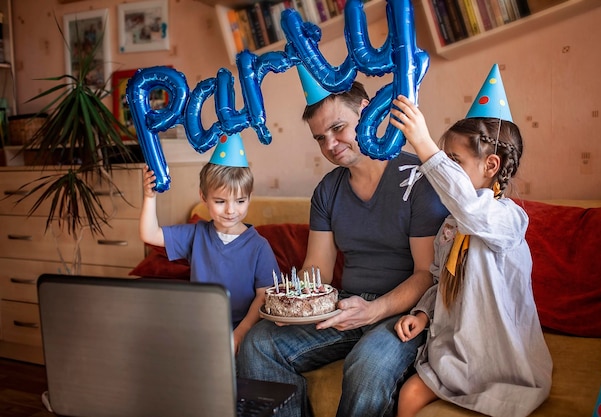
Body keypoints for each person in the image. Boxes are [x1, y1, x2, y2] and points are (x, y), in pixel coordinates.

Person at [236, 65, 449, 417]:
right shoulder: (327, 190)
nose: (330, 145)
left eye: (337, 128)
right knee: (258, 344)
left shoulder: (418, 181)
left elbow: (426, 274)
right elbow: (316, 269)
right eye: (320, 137)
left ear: (366, 112)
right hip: (346, 309)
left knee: (368, 366)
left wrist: (373, 310)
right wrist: (289, 307)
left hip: (403, 314)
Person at [390, 64, 552, 417]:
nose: (444, 168)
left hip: (500, 360)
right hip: (454, 356)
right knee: (409, 396)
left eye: (454, 161)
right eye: (445, 159)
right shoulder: (451, 225)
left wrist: (425, 145)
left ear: (491, 165)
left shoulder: (507, 219)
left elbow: (470, 208)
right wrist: (422, 312)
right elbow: (442, 279)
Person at [139, 133, 279, 353]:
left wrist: (239, 334)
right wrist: (149, 197)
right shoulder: (196, 234)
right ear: (203, 197)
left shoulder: (259, 247)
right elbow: (149, 234)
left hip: (244, 331)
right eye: (220, 201)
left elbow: (265, 296)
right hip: (200, 330)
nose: (231, 210)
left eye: (240, 201)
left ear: (250, 198)